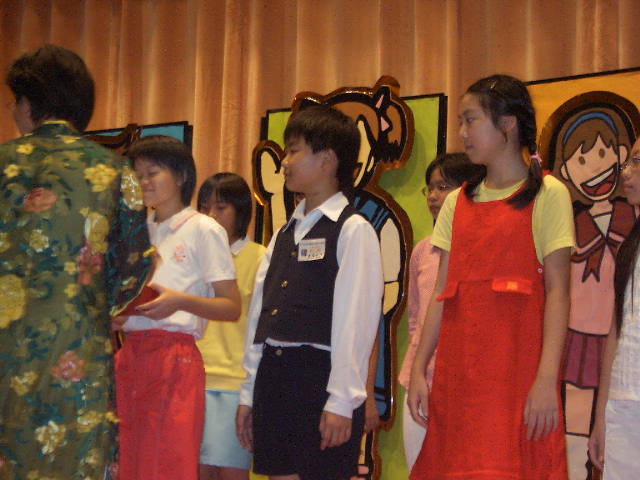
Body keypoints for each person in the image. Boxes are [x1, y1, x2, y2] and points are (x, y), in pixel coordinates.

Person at [408, 74, 575, 479]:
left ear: (507, 124)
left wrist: (546, 380)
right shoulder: (457, 203)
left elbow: (559, 293)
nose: (462, 133)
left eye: (471, 120)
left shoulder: (548, 193)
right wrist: (419, 368)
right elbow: (441, 293)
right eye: (461, 123)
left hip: (519, 379)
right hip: (459, 382)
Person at [0, 44, 152, 479]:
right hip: (78, 349)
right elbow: (135, 266)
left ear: (30, 102)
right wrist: (92, 302)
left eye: (15, 101)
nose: (13, 111)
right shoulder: (113, 171)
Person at [235, 104, 383, 480]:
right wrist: (249, 393)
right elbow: (261, 318)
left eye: (294, 151)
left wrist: (341, 401)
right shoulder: (284, 233)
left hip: (319, 379)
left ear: (327, 160)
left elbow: (356, 323)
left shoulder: (353, 229)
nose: (285, 162)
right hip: (274, 375)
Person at [114, 136, 241, 480]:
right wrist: (118, 316)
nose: (144, 182)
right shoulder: (135, 231)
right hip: (131, 355)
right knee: (129, 462)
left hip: (176, 358)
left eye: (152, 173)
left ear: (182, 176)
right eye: (138, 175)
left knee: (169, 463)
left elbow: (231, 306)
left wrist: (179, 301)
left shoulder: (203, 228)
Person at [397, 152, 484, 469]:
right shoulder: (423, 250)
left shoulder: (483, 248)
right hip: (420, 381)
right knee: (419, 468)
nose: (433, 196)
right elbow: (416, 320)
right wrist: (417, 372)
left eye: (443, 187)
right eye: (429, 188)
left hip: (467, 384)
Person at [196, 173, 266, 480]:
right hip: (191, 378)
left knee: (230, 474)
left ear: (241, 212)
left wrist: (251, 392)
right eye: (204, 207)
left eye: (221, 207)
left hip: (235, 386)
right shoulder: (192, 255)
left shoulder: (260, 258)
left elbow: (261, 332)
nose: (210, 216)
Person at [588, 138, 640, 478]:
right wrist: (601, 416)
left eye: (637, 161)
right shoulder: (629, 246)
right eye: (628, 163)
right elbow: (615, 330)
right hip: (624, 399)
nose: (627, 172)